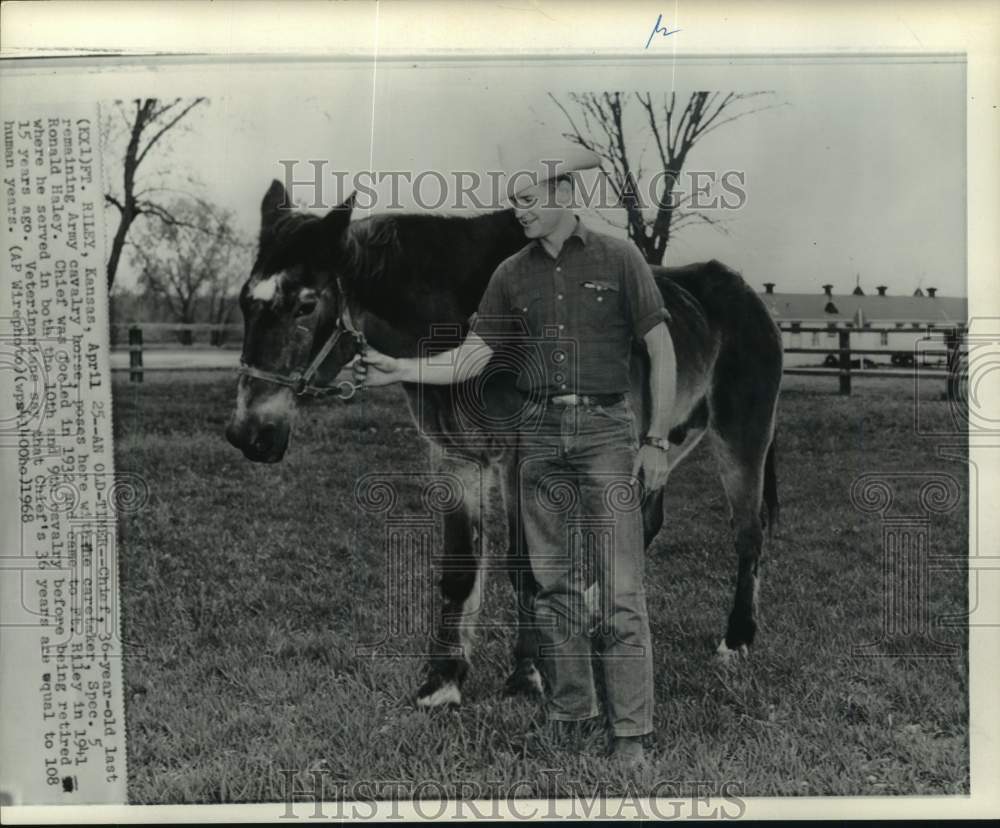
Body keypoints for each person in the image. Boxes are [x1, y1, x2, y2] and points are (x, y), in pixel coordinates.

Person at [354, 140, 677, 764]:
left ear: (563, 194)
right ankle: (571, 715)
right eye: (513, 200)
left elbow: (660, 348)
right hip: (537, 434)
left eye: (527, 199)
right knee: (549, 586)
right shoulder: (509, 274)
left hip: (606, 433)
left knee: (619, 589)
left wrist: (657, 439)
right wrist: (399, 367)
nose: (517, 211)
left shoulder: (620, 257)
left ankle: (630, 735)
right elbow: (471, 357)